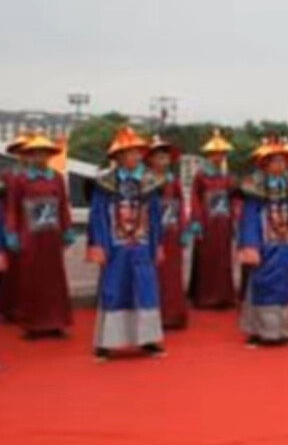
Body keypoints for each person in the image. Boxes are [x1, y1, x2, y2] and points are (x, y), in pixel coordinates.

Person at [87, 127, 165, 361]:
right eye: (129, 153)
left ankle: (148, 339)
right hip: (115, 245)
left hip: (141, 244)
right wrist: (98, 244)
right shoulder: (105, 183)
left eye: (137, 153)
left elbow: (154, 215)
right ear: (118, 157)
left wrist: (157, 244)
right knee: (113, 290)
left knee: (145, 291)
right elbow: (98, 214)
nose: (135, 157)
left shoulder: (149, 182)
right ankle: (106, 343)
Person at [2, 133, 74, 338]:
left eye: (43, 154)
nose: (39, 157)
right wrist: (11, 233)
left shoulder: (57, 178)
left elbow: (63, 206)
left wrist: (68, 229)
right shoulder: (19, 179)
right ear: (28, 156)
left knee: (54, 279)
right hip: (29, 236)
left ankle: (57, 322)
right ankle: (32, 325)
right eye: (34, 154)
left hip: (52, 237)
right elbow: (11, 209)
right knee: (30, 279)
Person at [237, 137, 288, 345]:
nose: (279, 165)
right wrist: (250, 246)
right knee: (262, 285)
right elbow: (249, 219)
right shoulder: (254, 189)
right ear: (265, 164)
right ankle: (258, 331)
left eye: (282, 161)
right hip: (264, 246)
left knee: (286, 287)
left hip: (286, 244)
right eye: (274, 161)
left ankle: (284, 331)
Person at [188, 129, 238, 309]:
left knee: (224, 260)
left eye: (222, 154)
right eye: (215, 154)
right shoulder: (201, 176)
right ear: (209, 156)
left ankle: (224, 296)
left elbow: (234, 199)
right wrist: (196, 221)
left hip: (223, 223)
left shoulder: (227, 177)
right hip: (207, 224)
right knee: (206, 259)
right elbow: (195, 199)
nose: (219, 157)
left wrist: (235, 219)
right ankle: (205, 297)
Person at [146, 136, 189, 330]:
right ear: (150, 160)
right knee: (153, 274)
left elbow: (181, 206)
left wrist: (184, 229)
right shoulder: (145, 181)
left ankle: (173, 315)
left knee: (172, 275)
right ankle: (153, 316)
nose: (163, 161)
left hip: (172, 233)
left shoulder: (174, 182)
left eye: (166, 157)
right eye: (159, 157)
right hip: (152, 235)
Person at [1, 131, 30, 323]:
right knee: (6, 271)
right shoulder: (6, 174)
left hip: (31, 228)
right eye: (20, 152)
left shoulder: (46, 175)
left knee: (27, 271)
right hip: (6, 224)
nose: (24, 155)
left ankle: (25, 309)